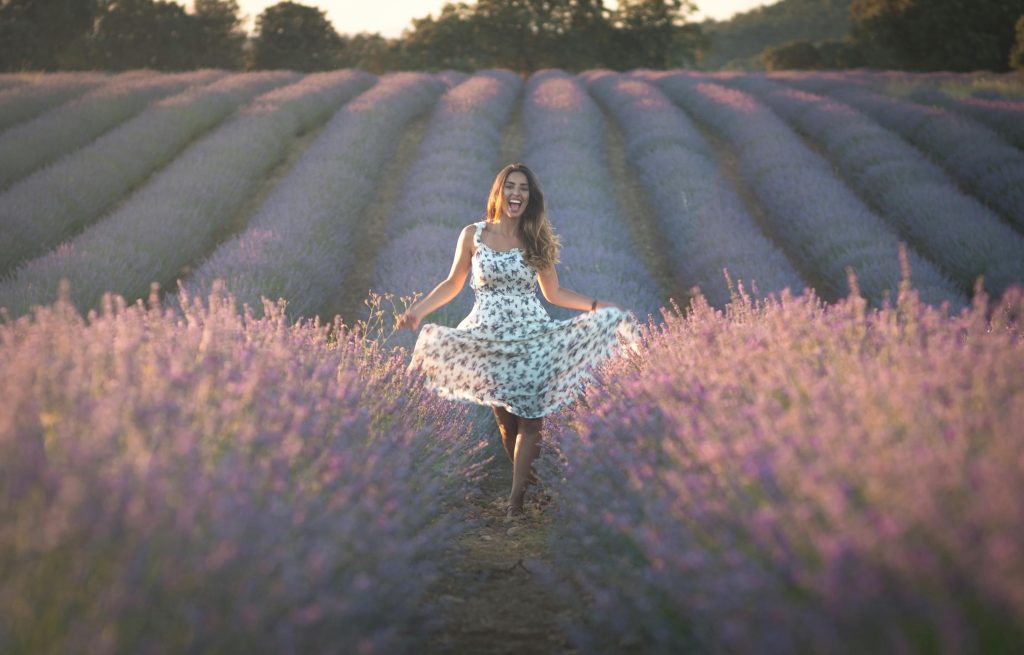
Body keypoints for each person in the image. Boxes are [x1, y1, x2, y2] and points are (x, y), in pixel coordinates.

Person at [397, 163, 639, 520]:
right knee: (506, 422)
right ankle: (534, 485)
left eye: (524, 188)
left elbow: (553, 293)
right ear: (498, 192)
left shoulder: (535, 236)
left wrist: (596, 305)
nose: (517, 193)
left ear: (530, 196)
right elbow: (452, 284)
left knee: (532, 419)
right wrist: (419, 311)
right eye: (510, 186)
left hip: (531, 337)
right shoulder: (473, 235)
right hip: (488, 337)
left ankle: (515, 505)